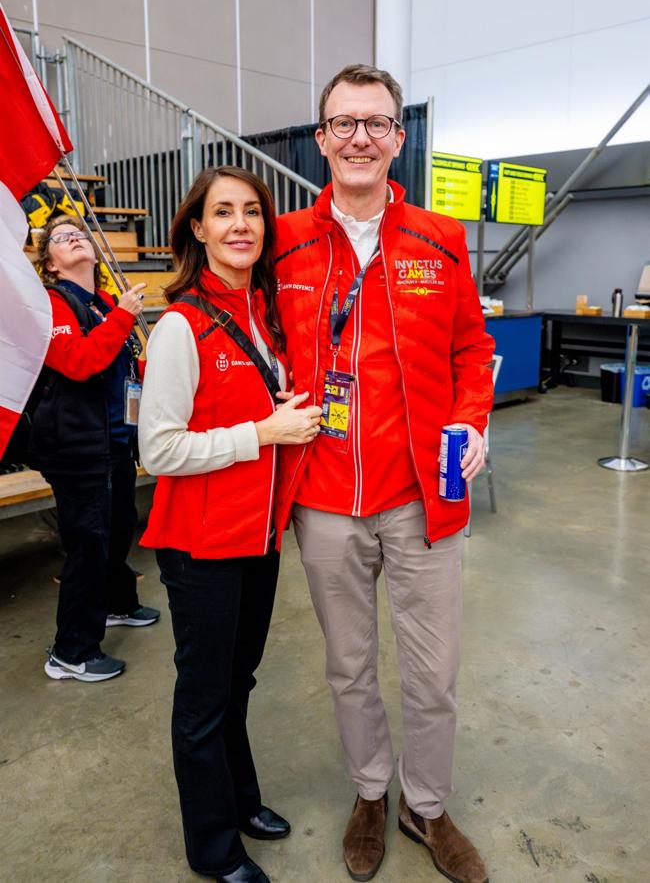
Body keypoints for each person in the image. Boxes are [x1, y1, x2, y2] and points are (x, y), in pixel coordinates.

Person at [273, 65, 495, 883]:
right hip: (324, 500)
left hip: (422, 499)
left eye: (376, 122)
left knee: (434, 672)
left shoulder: (440, 238)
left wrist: (472, 420)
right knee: (349, 664)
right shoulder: (287, 241)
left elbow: (472, 349)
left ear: (399, 138)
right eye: (343, 123)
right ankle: (371, 790)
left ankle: (424, 805)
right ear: (322, 137)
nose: (359, 136)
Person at [138, 166, 322, 883]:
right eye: (223, 213)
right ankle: (213, 850)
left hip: (255, 538)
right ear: (197, 228)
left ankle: (241, 800)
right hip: (200, 545)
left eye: (252, 211)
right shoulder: (183, 324)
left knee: (238, 682)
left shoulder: (266, 315)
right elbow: (160, 451)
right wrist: (264, 432)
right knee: (205, 696)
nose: (240, 224)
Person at [31, 214, 160, 684]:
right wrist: (125, 314)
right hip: (78, 447)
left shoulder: (106, 301)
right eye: (63, 237)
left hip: (116, 437)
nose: (76, 239)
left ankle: (117, 603)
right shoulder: (50, 303)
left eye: (81, 234)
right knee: (88, 544)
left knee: (119, 525)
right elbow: (80, 362)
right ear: (50, 262)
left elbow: (122, 365)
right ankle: (71, 651)